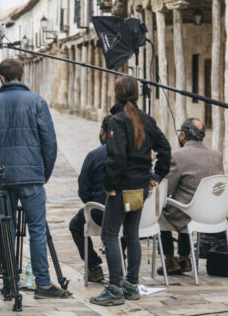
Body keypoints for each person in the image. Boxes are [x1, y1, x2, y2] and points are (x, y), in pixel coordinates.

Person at [0, 58, 70, 299]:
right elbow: (50, 143)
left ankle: (9, 282)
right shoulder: (37, 102)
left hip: (2, 176)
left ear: (1, 78)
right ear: (22, 76)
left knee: (4, 228)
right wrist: (42, 173)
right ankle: (42, 284)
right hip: (31, 176)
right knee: (37, 229)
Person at [90, 75, 170, 307]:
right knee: (132, 234)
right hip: (140, 186)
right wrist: (155, 175)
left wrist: (110, 185)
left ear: (116, 94)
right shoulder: (147, 119)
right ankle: (131, 284)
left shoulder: (116, 120)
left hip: (122, 187)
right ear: (136, 94)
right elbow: (165, 149)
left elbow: (116, 156)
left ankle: (115, 287)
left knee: (109, 234)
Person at [157, 117, 223, 275]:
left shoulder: (178, 156)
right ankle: (185, 258)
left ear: (183, 135)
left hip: (188, 214)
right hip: (213, 213)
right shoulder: (217, 156)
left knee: (159, 210)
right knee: (184, 205)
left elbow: (166, 189)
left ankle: (170, 259)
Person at [69, 115, 111, 283]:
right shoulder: (133, 155)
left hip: (99, 212)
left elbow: (83, 192)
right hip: (130, 212)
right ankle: (120, 263)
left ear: (102, 132)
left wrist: (93, 202)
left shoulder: (94, 155)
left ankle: (93, 266)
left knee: (75, 225)